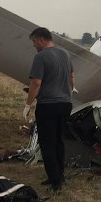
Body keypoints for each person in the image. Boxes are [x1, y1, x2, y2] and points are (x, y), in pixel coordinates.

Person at [23, 27, 74, 193]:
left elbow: (36, 83)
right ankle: (60, 175)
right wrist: (66, 91)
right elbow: (72, 78)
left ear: (41, 40)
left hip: (48, 105)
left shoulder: (40, 56)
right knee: (59, 141)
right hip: (66, 104)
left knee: (47, 143)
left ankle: (55, 182)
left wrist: (28, 104)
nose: (33, 46)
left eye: (34, 42)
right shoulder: (65, 54)